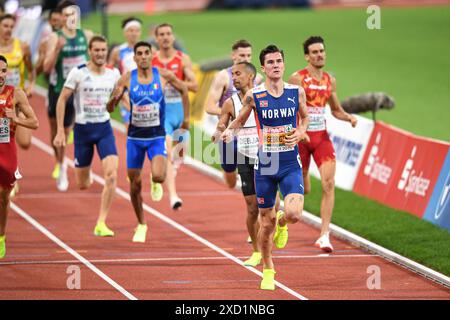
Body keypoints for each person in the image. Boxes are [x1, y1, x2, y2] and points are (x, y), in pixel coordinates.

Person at [221, 45, 309, 291]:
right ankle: (268, 269)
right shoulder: (255, 96)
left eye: (279, 61)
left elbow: (306, 118)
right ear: (263, 68)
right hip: (266, 166)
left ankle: (284, 222)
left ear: (284, 64)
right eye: (270, 62)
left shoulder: (296, 93)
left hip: (290, 163)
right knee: (265, 222)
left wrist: (301, 132)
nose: (275, 65)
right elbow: (239, 120)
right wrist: (229, 132)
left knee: (293, 215)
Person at [107, 41, 189, 243]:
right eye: (139, 54)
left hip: (156, 137)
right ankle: (141, 224)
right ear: (134, 58)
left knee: (160, 176)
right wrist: (115, 100)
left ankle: (155, 180)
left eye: (146, 53)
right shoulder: (127, 78)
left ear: (151, 55)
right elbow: (109, 108)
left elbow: (184, 90)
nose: (143, 56)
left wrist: (186, 118)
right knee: (134, 185)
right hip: (135, 138)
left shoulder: (163, 75)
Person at [288, 36, 357, 253]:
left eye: (322, 51)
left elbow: (335, 109)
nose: (320, 55)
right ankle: (280, 217)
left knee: (328, 184)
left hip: (321, 139)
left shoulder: (329, 80)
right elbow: (288, 108)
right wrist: (299, 131)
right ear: (307, 56)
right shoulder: (298, 78)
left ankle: (324, 235)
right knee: (304, 190)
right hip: (301, 139)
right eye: (315, 52)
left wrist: (348, 117)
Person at [53, 36, 120, 237]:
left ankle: (101, 222)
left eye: (103, 50)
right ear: (90, 51)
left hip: (104, 128)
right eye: (96, 50)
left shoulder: (113, 74)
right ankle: (86, 171)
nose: (100, 54)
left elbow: (118, 99)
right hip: (82, 130)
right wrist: (59, 131)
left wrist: (126, 107)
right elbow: (62, 100)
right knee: (83, 184)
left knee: (112, 175)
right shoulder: (78, 72)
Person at [212, 61, 261, 266]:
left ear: (250, 77)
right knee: (252, 208)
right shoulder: (230, 102)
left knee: (271, 204)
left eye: (238, 74)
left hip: (267, 156)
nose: (234, 78)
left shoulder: (263, 97)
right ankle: (257, 252)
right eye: (233, 74)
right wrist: (220, 131)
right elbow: (222, 123)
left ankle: (281, 225)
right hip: (244, 157)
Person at [44, 0, 93, 192]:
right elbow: (47, 68)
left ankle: (79, 165)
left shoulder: (86, 35)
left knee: (78, 128)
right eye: (65, 15)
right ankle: (61, 163)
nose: (69, 18)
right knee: (59, 130)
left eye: (72, 15)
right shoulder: (55, 37)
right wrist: (57, 49)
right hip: (60, 90)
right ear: (62, 18)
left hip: (80, 92)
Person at [205, 39, 263, 190]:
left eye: (249, 55)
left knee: (258, 177)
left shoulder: (257, 78)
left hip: (250, 135)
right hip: (228, 135)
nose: (245, 58)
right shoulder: (223, 76)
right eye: (242, 55)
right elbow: (209, 106)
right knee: (230, 177)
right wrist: (232, 112)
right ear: (234, 56)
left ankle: (261, 206)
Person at [152, 23, 196, 210]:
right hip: (162, 114)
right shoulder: (151, 60)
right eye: (161, 34)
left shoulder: (182, 59)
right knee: (169, 153)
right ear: (156, 38)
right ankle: (173, 196)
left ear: (173, 36)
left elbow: (194, 85)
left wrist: (174, 80)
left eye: (168, 33)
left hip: (181, 111)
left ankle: (159, 173)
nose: (165, 37)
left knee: (179, 157)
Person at [0, 55, 39, 259]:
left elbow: (35, 123)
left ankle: (1, 237)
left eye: (4, 71)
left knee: (4, 197)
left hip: (6, 150)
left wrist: (14, 118)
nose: (1, 75)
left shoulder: (15, 94)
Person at [0, 14, 35, 151]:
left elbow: (31, 70)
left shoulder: (22, 47)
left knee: (25, 143)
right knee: (4, 141)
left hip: (16, 101)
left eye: (11, 26)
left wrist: (31, 84)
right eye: (5, 26)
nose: (8, 29)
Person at [108, 17, 142, 124]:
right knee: (129, 128)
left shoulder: (147, 49)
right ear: (125, 33)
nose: (133, 34)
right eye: (131, 30)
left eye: (136, 31)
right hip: (126, 94)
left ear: (140, 32)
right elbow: (109, 70)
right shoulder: (118, 51)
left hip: (144, 91)